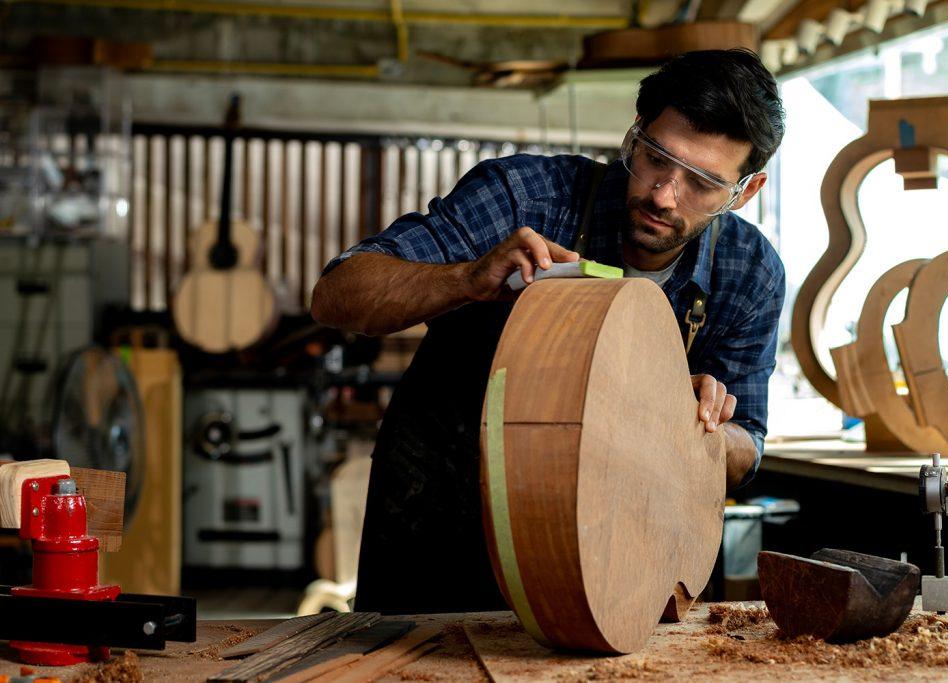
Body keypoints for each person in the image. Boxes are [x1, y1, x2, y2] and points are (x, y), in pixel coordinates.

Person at [311, 48, 786, 615]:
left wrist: (699, 425)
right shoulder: (527, 197)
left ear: (745, 191)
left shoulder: (749, 270)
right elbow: (336, 295)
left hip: (617, 543)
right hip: (441, 516)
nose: (665, 194)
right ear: (634, 135)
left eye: (703, 182)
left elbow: (746, 446)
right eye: (657, 158)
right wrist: (466, 278)